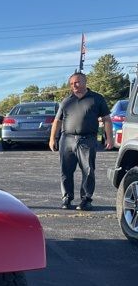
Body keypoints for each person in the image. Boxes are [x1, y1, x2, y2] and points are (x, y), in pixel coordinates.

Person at [49, 72, 113, 210]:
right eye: (72, 84)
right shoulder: (66, 101)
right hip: (67, 140)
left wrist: (110, 138)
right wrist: (52, 138)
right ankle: (67, 198)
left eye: (77, 82)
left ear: (85, 82)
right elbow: (57, 121)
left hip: (87, 140)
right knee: (66, 171)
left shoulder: (97, 99)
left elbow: (107, 119)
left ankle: (86, 199)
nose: (74, 86)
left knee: (88, 171)